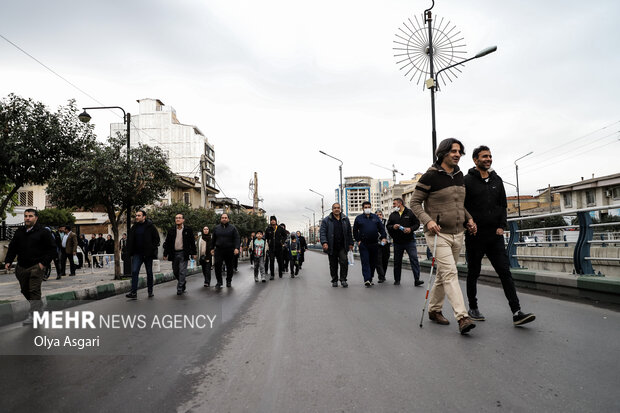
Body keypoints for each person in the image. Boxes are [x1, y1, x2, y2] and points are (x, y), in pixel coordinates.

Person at [410, 137, 477, 334]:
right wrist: (428, 221)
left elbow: (459, 205)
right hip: (438, 234)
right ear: (443, 152)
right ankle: (462, 317)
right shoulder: (430, 176)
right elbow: (414, 203)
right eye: (454, 151)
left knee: (443, 274)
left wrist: (469, 219)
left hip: (458, 233)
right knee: (450, 273)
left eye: (459, 152)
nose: (457, 155)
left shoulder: (458, 174)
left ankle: (434, 310)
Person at [464, 145, 536, 326]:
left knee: (505, 272)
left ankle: (517, 311)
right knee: (474, 272)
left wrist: (501, 226)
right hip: (475, 235)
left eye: (490, 156)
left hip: (494, 235)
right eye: (484, 156)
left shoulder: (497, 180)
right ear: (475, 160)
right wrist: (469, 222)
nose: (488, 159)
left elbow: (503, 205)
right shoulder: (467, 181)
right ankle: (472, 307)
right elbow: (461, 206)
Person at [4, 209, 57, 325]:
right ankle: (38, 307)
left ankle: (33, 315)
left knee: (34, 290)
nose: (27, 218)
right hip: (21, 267)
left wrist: (43, 264)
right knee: (25, 290)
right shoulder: (19, 232)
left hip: (36, 267)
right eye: (26, 216)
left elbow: (52, 249)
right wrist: (8, 261)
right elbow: (13, 247)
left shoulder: (43, 232)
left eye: (30, 216)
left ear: (36, 218)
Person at [387, 198, 424, 287]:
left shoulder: (410, 213)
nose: (393, 205)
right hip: (397, 242)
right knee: (397, 261)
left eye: (394, 204)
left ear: (400, 204)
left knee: (414, 259)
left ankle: (417, 279)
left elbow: (417, 224)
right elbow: (388, 226)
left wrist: (410, 229)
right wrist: (393, 227)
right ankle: (397, 280)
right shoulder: (393, 215)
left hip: (409, 241)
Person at [125, 210, 160, 299]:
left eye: (139, 215)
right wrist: (129, 252)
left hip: (148, 254)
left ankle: (150, 291)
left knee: (149, 273)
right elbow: (130, 240)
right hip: (137, 254)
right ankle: (133, 292)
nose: (137, 217)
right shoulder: (134, 227)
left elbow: (156, 239)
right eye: (136, 215)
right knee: (134, 271)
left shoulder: (150, 226)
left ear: (144, 217)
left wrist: (151, 249)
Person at [353, 201, 388, 287]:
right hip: (364, 244)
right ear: (363, 208)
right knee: (365, 262)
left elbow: (381, 229)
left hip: (374, 243)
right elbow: (354, 231)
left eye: (369, 207)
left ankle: (370, 277)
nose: (367, 208)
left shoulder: (375, 217)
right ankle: (367, 279)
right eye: (365, 207)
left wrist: (383, 237)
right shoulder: (359, 218)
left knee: (373, 262)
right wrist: (358, 240)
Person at [319, 203, 354, 288]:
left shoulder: (345, 219)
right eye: (335, 208)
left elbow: (349, 233)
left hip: (343, 246)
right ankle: (334, 280)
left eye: (338, 208)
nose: (336, 209)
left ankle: (343, 280)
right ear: (332, 209)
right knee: (333, 264)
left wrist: (351, 243)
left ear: (340, 209)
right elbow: (322, 233)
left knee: (344, 262)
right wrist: (324, 242)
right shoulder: (326, 220)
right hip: (332, 246)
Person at [163, 213, 196, 295]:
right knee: (175, 271)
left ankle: (180, 288)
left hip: (183, 253)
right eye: (176, 218)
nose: (177, 219)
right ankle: (183, 281)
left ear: (183, 220)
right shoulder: (171, 230)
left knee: (182, 271)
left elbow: (192, 242)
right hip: (174, 253)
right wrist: (165, 253)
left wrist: (194, 253)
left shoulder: (188, 230)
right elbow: (167, 242)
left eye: (179, 218)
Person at [211, 213, 241, 288]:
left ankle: (228, 281)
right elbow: (213, 239)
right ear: (220, 219)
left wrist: (237, 248)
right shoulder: (216, 228)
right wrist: (211, 248)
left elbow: (237, 238)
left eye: (225, 218)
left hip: (229, 250)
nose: (224, 219)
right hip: (219, 250)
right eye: (222, 218)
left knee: (230, 266)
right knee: (217, 266)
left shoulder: (233, 228)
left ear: (228, 219)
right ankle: (219, 282)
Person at [375, 210, 390, 282]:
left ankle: (383, 274)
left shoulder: (386, 222)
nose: (379, 216)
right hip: (377, 244)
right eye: (377, 215)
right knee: (378, 260)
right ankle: (381, 276)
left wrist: (386, 239)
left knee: (385, 260)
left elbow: (389, 231)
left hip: (386, 243)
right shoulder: (373, 222)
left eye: (380, 215)